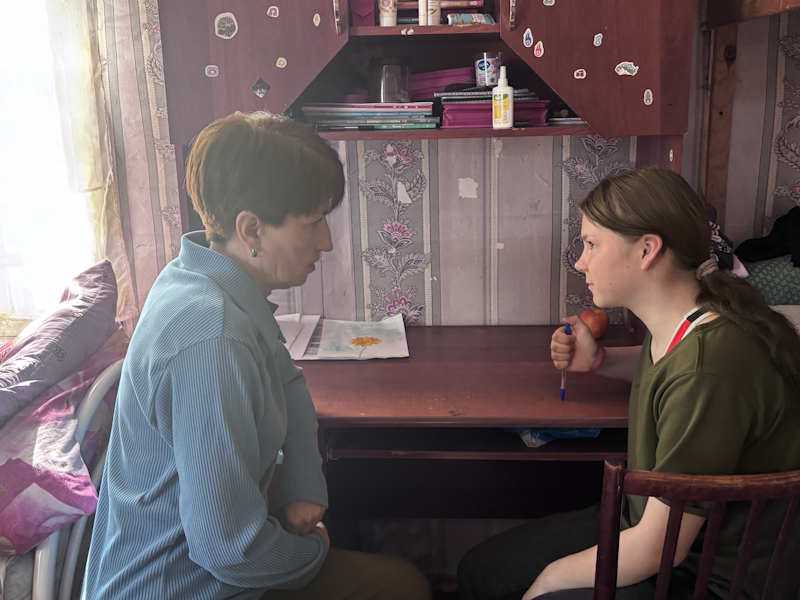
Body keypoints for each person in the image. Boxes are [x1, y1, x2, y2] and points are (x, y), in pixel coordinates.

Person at [83, 112, 431, 600]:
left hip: (211, 563)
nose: (327, 241)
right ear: (251, 230)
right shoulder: (211, 336)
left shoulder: (205, 277)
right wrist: (314, 551)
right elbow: (228, 549)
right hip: (182, 584)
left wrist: (304, 485)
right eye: (312, 223)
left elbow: (289, 383)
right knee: (403, 587)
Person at [457, 167, 800, 600]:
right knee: (482, 572)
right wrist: (600, 361)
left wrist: (547, 582)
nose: (580, 262)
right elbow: (669, 363)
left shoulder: (710, 365)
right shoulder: (691, 317)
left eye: (592, 244)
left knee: (534, 585)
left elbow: (659, 548)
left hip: (700, 577)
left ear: (647, 250)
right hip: (646, 524)